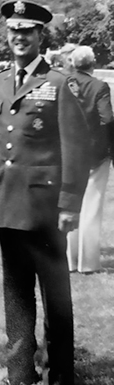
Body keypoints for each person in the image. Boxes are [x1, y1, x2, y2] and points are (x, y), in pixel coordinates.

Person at [0, 0, 90, 385]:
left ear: (41, 35)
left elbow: (77, 148)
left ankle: (60, 382)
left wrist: (69, 204)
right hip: (8, 202)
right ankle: (19, 372)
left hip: (46, 209)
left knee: (54, 296)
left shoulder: (61, 83)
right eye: (13, 30)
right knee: (16, 293)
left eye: (27, 30)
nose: (19, 37)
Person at [66, 46, 114, 273]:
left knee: (69, 203)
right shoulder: (99, 86)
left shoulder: (64, 83)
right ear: (93, 63)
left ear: (73, 63)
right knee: (91, 207)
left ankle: (69, 260)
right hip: (95, 153)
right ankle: (87, 262)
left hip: (68, 152)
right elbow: (107, 118)